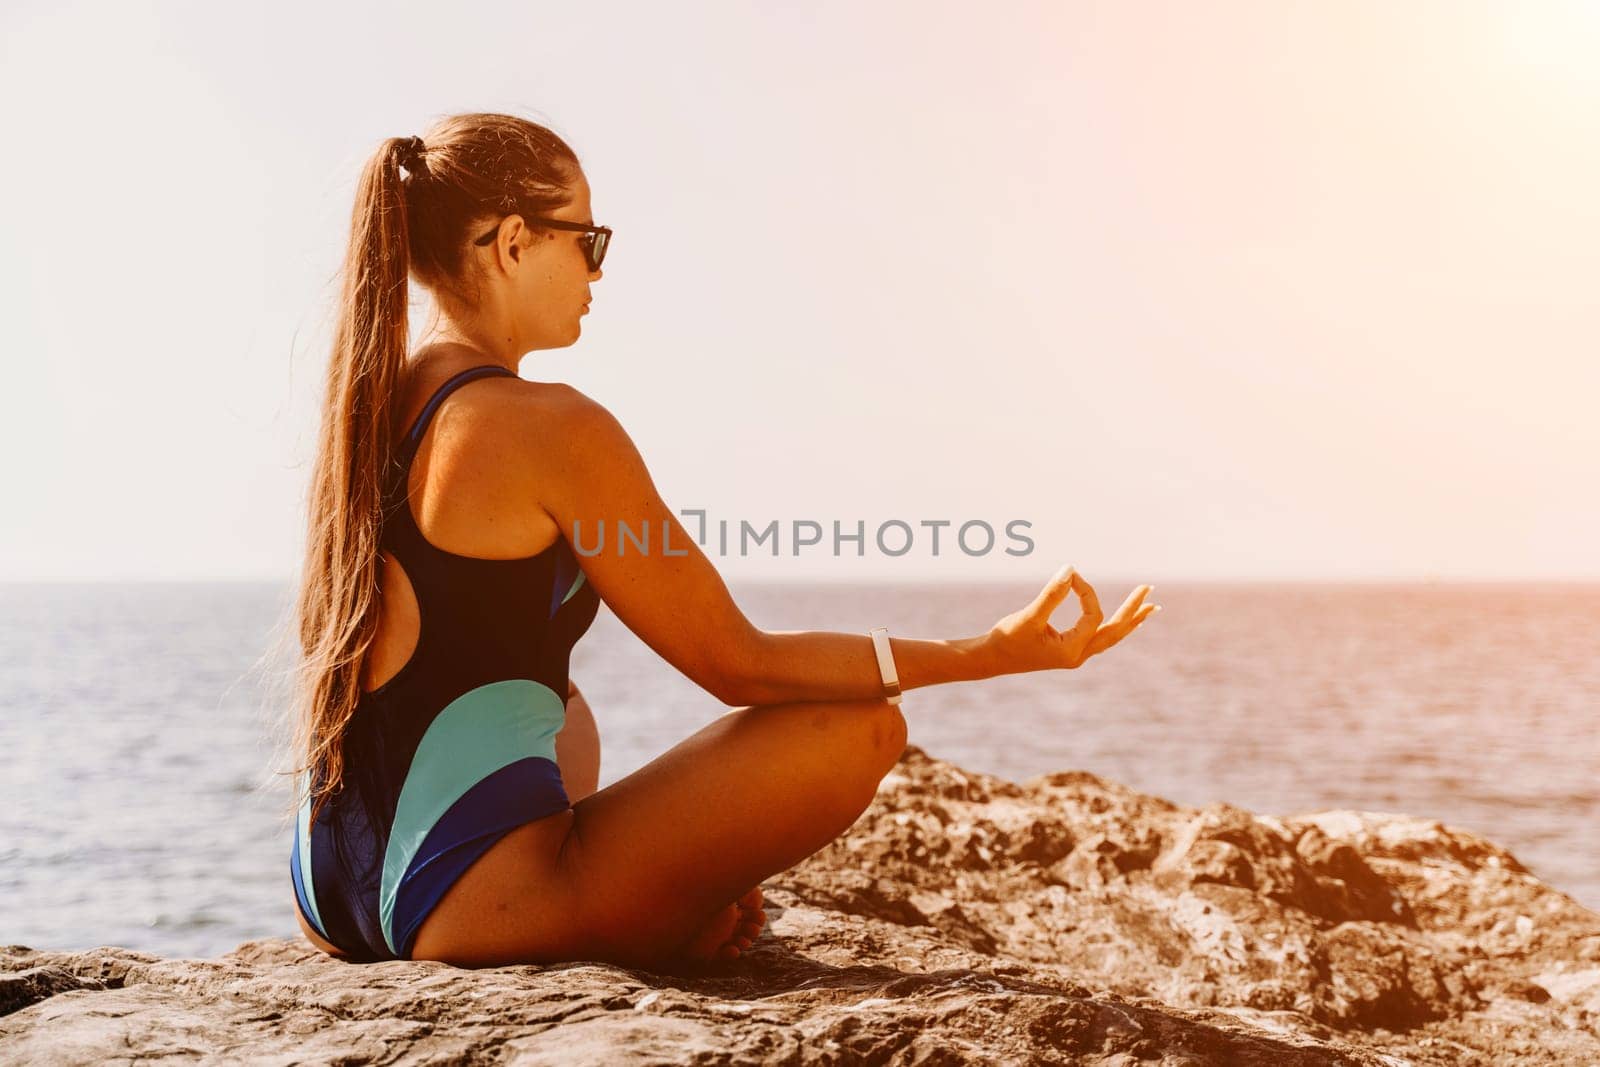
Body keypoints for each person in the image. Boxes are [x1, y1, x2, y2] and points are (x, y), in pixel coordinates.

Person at [286, 111, 1161, 969]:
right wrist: (991, 652)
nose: (598, 271)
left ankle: (619, 898)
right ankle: (620, 917)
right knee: (853, 729)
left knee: (566, 709)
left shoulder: (374, 403)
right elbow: (736, 661)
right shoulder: (547, 426)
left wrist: (689, 848)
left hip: (327, 883)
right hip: (457, 898)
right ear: (514, 243)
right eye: (586, 239)